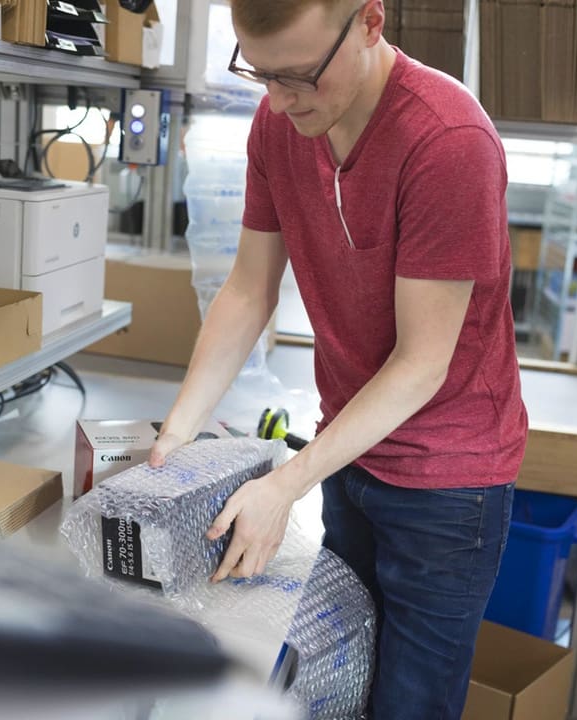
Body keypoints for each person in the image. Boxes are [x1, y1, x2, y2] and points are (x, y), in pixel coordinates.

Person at [149, 1, 528, 717]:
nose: (281, 99)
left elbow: (422, 364)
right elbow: (247, 290)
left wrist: (285, 485)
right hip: (352, 455)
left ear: (370, 21)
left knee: (408, 704)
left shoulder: (447, 140)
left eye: (298, 76)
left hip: (447, 482)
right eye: (260, 75)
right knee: (340, 680)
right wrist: (174, 439)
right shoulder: (280, 122)